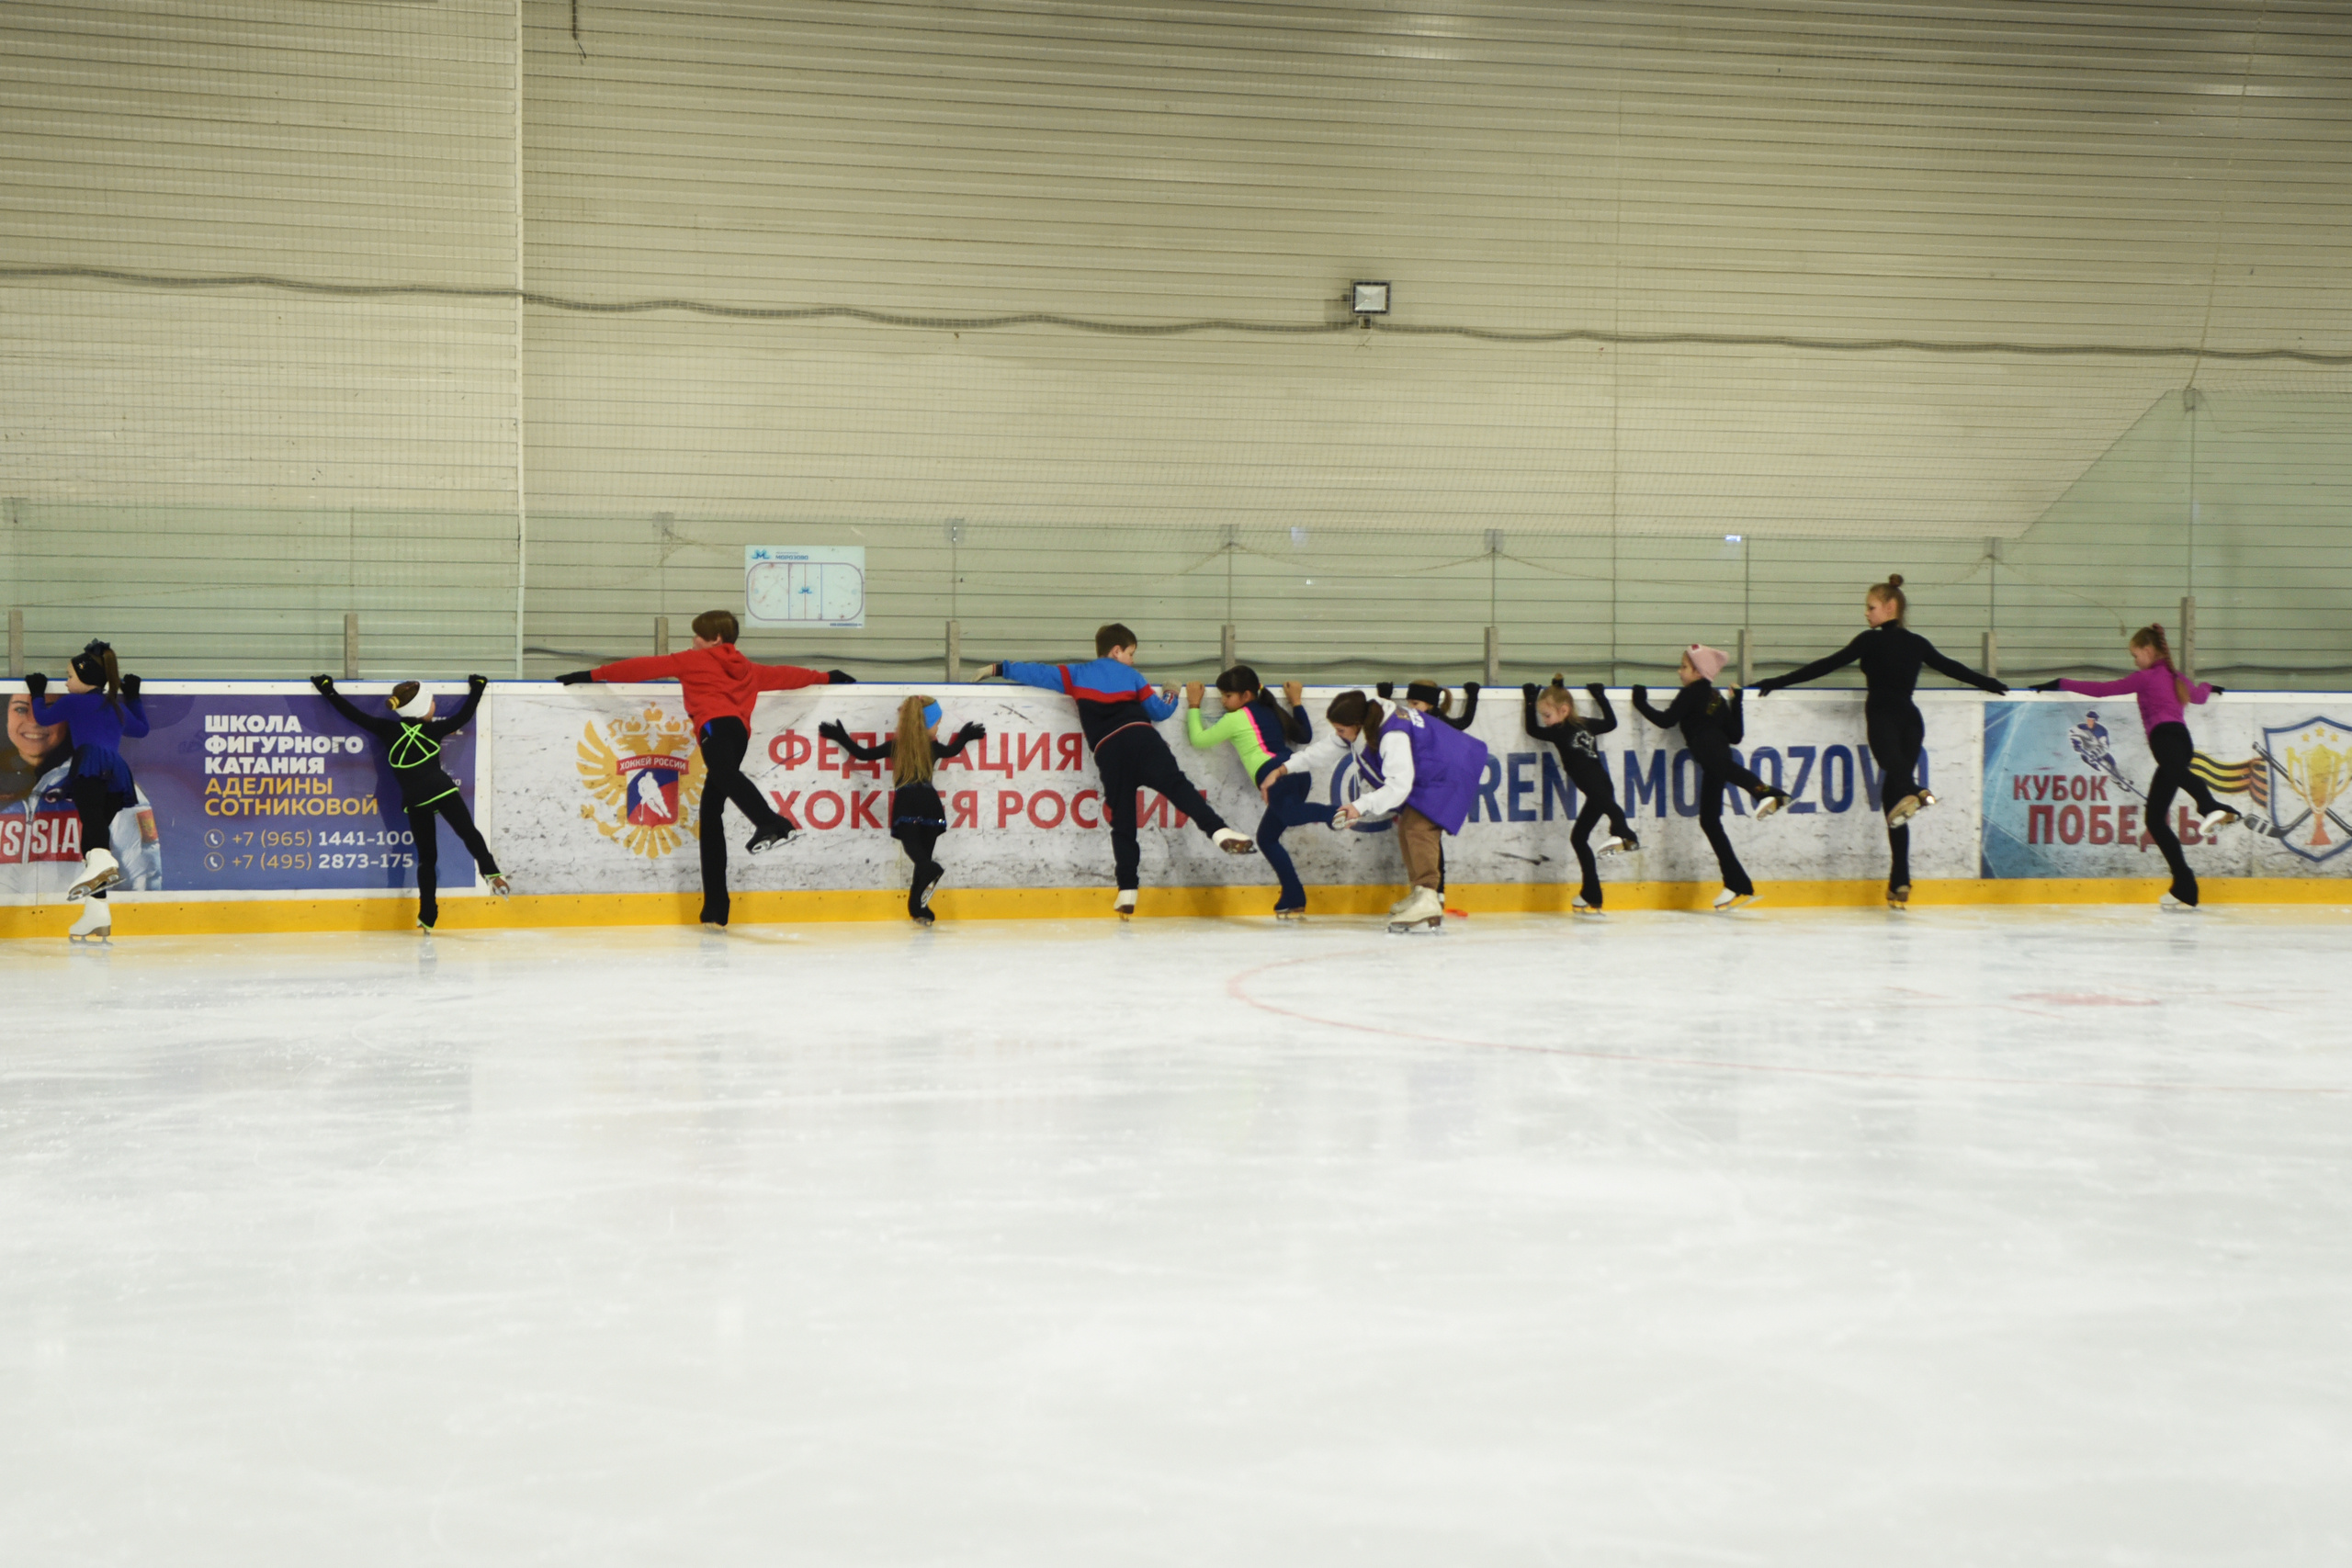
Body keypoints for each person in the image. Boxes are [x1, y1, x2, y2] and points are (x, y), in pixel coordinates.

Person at [557, 609, 848, 927]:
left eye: (698, 634)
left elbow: (643, 667)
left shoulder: (693, 660)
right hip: (738, 736)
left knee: (724, 776)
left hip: (715, 728)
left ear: (716, 639)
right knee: (710, 816)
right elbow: (787, 675)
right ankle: (716, 909)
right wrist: (827, 677)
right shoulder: (748, 669)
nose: (693, 639)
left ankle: (772, 823)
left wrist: (592, 675)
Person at [1752, 573, 2007, 908]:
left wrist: (1780, 680)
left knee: (1895, 775)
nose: (1866, 613)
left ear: (1890, 607)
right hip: (1911, 722)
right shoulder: (1918, 643)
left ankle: (1918, 791)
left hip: (1884, 716)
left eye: (1871, 607)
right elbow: (1952, 668)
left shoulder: (1868, 641)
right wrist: (1990, 683)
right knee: (1893, 805)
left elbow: (1826, 665)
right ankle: (1900, 880)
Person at [979, 624, 1256, 918]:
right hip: (1143, 740)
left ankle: (1127, 890)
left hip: (1110, 752)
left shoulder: (1076, 674)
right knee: (1179, 789)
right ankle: (1219, 831)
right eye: (1131, 653)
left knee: (1123, 821)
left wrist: (999, 667)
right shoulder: (1132, 676)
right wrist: (1172, 693)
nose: (1133, 660)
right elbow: (1160, 712)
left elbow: (1036, 672)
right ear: (1116, 651)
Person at [2033, 623, 2233, 910]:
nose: (2134, 660)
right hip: (2181, 741)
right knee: (2154, 818)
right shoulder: (2176, 677)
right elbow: (2199, 696)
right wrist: (2208, 687)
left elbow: (2103, 690)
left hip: (2165, 738)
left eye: (2135, 654)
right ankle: (2185, 886)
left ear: (2149, 651)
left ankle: (2211, 805)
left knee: (2176, 773)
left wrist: (2062, 683)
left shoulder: (2146, 677)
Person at [313, 673, 509, 931]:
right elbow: (464, 716)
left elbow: (352, 714)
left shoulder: (388, 729)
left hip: (415, 798)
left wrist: (327, 689)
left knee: (427, 858)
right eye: (432, 704)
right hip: (441, 790)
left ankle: (427, 914)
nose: (435, 706)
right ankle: (491, 872)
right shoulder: (433, 729)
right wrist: (478, 688)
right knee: (468, 832)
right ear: (422, 708)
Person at [1632, 644, 1792, 911]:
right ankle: (1736, 882)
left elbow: (1665, 720)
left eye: (1683, 667)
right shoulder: (1715, 697)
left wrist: (1640, 702)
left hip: (1707, 750)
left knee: (1724, 772)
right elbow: (1736, 736)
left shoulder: (1692, 692)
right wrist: (1737, 702)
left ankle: (1766, 791)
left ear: (1697, 671)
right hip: (1716, 752)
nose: (1679, 672)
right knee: (1709, 819)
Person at [1330, 686, 1492, 933]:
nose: (1339, 735)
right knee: (1408, 824)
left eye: (1341, 730)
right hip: (1438, 769)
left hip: (1449, 771)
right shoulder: (1375, 717)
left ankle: (1428, 895)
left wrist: (1360, 806)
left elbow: (1399, 786)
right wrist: (1286, 767)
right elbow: (1327, 748)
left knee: (1419, 827)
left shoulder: (1391, 734)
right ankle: (1420, 893)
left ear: (1357, 724)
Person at [819, 697, 986, 925]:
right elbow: (953, 750)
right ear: (927, 724)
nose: (938, 728)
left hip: (907, 800)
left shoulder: (895, 747)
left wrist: (841, 737)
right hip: (930, 802)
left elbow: (862, 754)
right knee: (923, 858)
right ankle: (918, 907)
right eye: (937, 723)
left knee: (915, 852)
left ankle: (922, 893)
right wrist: (965, 736)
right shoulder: (933, 747)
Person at [25, 639, 150, 940]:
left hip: (89, 763)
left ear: (86, 678)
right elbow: (141, 729)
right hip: (116, 770)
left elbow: (43, 718)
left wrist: (37, 692)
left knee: (92, 824)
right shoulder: (115, 706)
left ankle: (103, 860)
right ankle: (98, 914)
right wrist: (132, 697)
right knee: (94, 830)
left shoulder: (74, 702)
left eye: (69, 677)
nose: (66, 684)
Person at [1184, 667, 1327, 918]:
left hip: (1276, 778)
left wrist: (1194, 705)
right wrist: (1296, 702)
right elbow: (1304, 735)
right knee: (1267, 838)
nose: (1223, 701)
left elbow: (1199, 739)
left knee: (1291, 816)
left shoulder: (1235, 719)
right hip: (1297, 773)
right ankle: (1293, 895)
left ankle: (1337, 813)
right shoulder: (1270, 709)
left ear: (1246, 695)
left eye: (1227, 696)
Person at [1522, 676, 1639, 916]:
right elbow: (1610, 723)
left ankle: (1627, 835)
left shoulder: (1558, 731)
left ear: (1564, 710)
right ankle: (1591, 894)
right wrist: (1600, 696)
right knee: (1579, 838)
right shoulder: (1585, 723)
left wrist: (1529, 700)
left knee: (1612, 810)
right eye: (1543, 716)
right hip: (1600, 780)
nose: (1545, 721)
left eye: (1547, 715)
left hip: (1591, 781)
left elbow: (1531, 730)